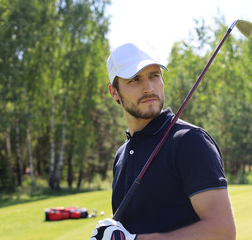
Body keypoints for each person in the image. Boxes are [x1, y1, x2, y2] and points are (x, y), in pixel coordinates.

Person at [90, 43, 236, 240]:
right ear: (114, 92)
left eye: (154, 76)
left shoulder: (190, 141)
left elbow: (222, 232)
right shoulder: (122, 155)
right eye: (135, 79)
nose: (149, 88)